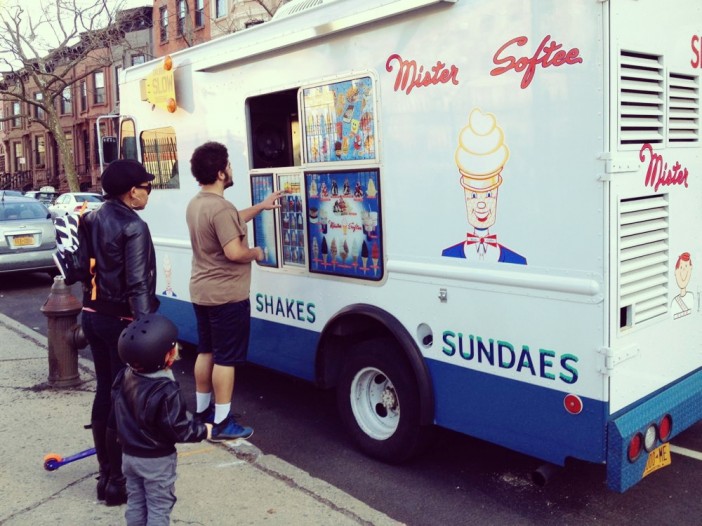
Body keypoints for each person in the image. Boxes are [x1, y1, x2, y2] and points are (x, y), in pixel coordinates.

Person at [186, 141, 281, 441]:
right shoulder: (222, 209)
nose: (231, 169)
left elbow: (230, 219)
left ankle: (202, 413)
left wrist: (262, 207)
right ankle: (224, 421)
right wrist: (257, 252)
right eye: (228, 165)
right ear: (220, 173)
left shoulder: (198, 203)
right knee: (226, 359)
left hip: (202, 292)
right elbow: (234, 251)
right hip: (227, 296)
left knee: (206, 351)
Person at [81, 159, 160, 506]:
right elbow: (139, 284)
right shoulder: (134, 226)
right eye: (147, 187)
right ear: (132, 192)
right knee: (123, 399)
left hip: (92, 314)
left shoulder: (92, 216)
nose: (149, 193)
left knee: (104, 389)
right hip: (121, 322)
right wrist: (147, 334)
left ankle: (104, 475)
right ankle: (116, 482)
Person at [113, 314, 212, 526]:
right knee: (159, 505)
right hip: (155, 461)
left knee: (136, 502)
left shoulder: (125, 375)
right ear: (167, 355)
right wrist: (204, 430)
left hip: (129, 455)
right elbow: (178, 429)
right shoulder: (166, 390)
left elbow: (118, 409)